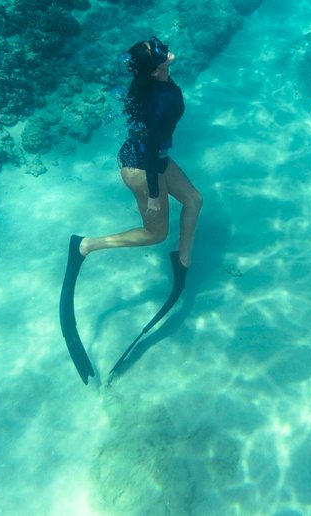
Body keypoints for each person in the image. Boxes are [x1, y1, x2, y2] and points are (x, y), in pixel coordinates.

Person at [60, 36, 203, 384]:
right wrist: (155, 195)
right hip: (144, 168)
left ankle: (182, 263)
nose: (165, 49)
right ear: (156, 69)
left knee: (194, 201)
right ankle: (85, 245)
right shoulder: (162, 98)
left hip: (151, 158)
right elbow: (153, 146)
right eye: (159, 53)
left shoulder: (154, 83)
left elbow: (153, 141)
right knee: (156, 233)